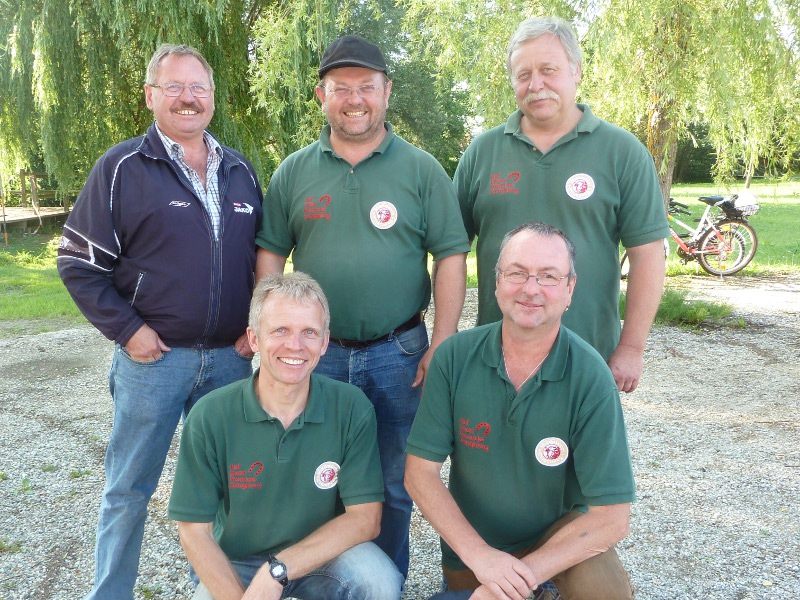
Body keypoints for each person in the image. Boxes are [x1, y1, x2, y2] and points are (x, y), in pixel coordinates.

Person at [256, 34, 470, 579]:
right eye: (341, 88)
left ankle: (384, 584)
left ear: (386, 92)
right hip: (315, 355)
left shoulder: (421, 170)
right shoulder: (294, 172)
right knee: (314, 475)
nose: (355, 100)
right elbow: (271, 254)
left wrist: (444, 339)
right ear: (321, 96)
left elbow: (451, 255)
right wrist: (272, 332)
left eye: (367, 88)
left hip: (399, 352)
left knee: (396, 482)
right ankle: (315, 581)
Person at [56, 44, 264, 599]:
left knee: (225, 489)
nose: (187, 98)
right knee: (129, 488)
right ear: (151, 96)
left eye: (198, 87)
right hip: (154, 362)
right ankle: (111, 592)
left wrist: (257, 326)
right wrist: (128, 330)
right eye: (173, 87)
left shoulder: (240, 170)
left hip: (230, 361)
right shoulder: (122, 167)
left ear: (213, 98)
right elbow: (77, 263)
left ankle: (213, 591)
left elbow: (262, 258)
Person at [405, 222, 636, 600]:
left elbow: (612, 518)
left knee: (605, 591)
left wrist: (522, 577)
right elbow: (419, 474)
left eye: (549, 276)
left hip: (556, 543)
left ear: (570, 289)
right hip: (476, 550)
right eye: (517, 273)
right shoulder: (454, 357)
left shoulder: (591, 376)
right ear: (496, 282)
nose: (531, 288)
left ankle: (544, 589)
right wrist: (482, 558)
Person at [454, 16, 669, 393]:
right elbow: (451, 252)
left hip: (589, 357)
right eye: (523, 75)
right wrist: (447, 337)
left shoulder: (622, 152)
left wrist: (632, 347)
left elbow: (648, 254)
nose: (535, 84)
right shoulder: (482, 153)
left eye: (548, 70)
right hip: (495, 358)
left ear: (576, 71)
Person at [168, 272, 403, 600]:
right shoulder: (210, 415)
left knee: (380, 581)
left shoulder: (351, 407)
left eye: (309, 332)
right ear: (254, 339)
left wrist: (277, 570)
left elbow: (365, 518)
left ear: (324, 342)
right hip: (238, 560)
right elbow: (194, 531)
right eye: (280, 330)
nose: (295, 345)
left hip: (323, 554)